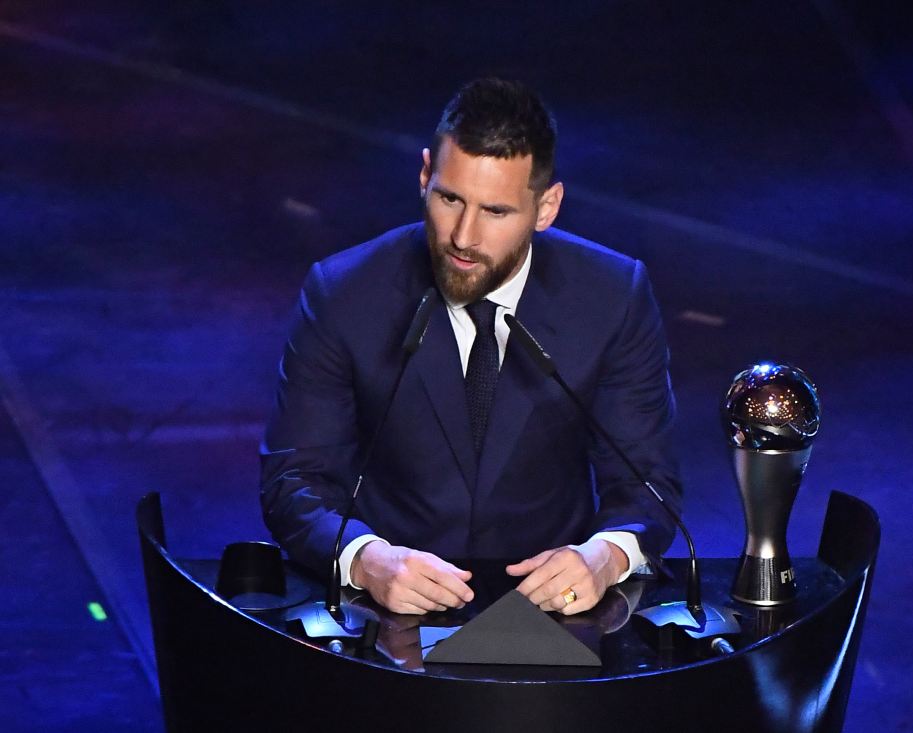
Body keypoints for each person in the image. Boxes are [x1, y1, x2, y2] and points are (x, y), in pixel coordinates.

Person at [260, 78, 681, 617]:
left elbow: (647, 481)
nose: (463, 235)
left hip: (552, 615)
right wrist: (365, 560)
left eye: (496, 212)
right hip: (387, 611)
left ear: (546, 207)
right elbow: (294, 480)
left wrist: (604, 557)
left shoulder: (612, 295)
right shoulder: (343, 292)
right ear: (424, 176)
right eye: (449, 198)